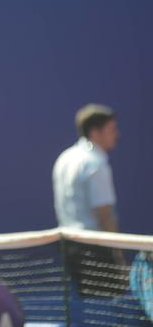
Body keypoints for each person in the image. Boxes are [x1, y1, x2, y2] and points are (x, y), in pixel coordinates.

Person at [52, 103, 124, 296]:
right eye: (111, 130)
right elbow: (104, 214)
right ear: (95, 132)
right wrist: (119, 255)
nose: (116, 135)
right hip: (96, 249)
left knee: (87, 309)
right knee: (106, 312)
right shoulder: (96, 163)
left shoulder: (64, 158)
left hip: (69, 247)